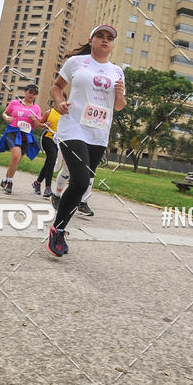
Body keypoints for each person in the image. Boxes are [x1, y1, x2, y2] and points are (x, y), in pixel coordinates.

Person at [47, 24, 125, 257]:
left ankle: (58, 223)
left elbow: (118, 106)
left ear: (112, 45)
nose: (104, 40)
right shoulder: (76, 63)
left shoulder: (117, 71)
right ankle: (58, 230)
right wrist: (59, 102)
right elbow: (57, 87)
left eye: (109, 38)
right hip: (73, 127)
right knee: (80, 182)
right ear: (91, 40)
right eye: (99, 36)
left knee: (83, 184)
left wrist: (120, 94)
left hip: (98, 132)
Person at [0, 83, 42, 195]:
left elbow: (37, 126)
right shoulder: (15, 103)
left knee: (17, 160)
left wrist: (34, 119)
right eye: (30, 92)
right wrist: (7, 117)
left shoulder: (36, 108)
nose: (32, 95)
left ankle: (5, 179)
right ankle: (9, 183)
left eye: (34, 94)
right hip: (13, 132)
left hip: (26, 136)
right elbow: (5, 113)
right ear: (25, 92)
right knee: (16, 156)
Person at [32, 104, 61, 197]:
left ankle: (37, 182)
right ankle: (48, 188)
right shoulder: (49, 112)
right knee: (52, 159)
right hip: (48, 137)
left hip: (59, 140)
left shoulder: (66, 114)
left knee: (49, 161)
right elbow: (39, 124)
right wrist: (44, 124)